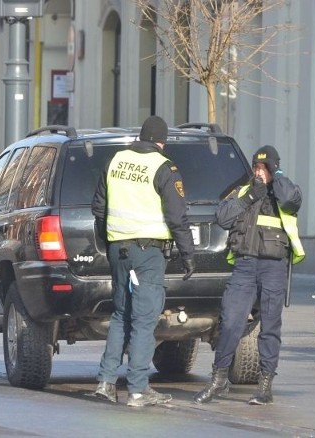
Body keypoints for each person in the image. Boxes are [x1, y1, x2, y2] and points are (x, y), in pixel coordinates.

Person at [90, 115, 196, 407]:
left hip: (118, 249)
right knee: (144, 320)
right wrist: (188, 254)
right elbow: (177, 216)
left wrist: (109, 239)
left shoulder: (116, 160)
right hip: (147, 253)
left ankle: (105, 382)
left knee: (120, 315)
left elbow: (98, 207)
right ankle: (137, 389)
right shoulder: (164, 166)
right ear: (161, 141)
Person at [193, 145, 304, 406]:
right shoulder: (244, 191)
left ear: (273, 168)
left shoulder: (285, 189)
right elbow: (222, 216)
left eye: (264, 168)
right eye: (256, 167)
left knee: (270, 325)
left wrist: (275, 178)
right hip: (244, 265)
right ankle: (218, 379)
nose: (258, 172)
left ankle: (265, 385)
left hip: (273, 266)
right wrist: (249, 197)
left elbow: (292, 200)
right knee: (230, 321)